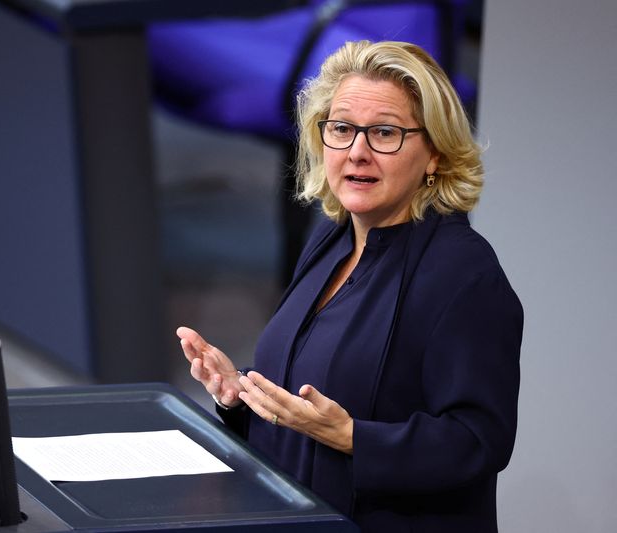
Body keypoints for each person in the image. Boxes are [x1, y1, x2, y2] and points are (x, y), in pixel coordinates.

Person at [176, 40, 522, 532]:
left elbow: (479, 441)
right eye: (341, 129)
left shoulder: (466, 275)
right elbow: (313, 394)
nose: (357, 151)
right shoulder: (333, 236)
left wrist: (354, 437)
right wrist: (243, 398)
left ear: (435, 156)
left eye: (384, 132)